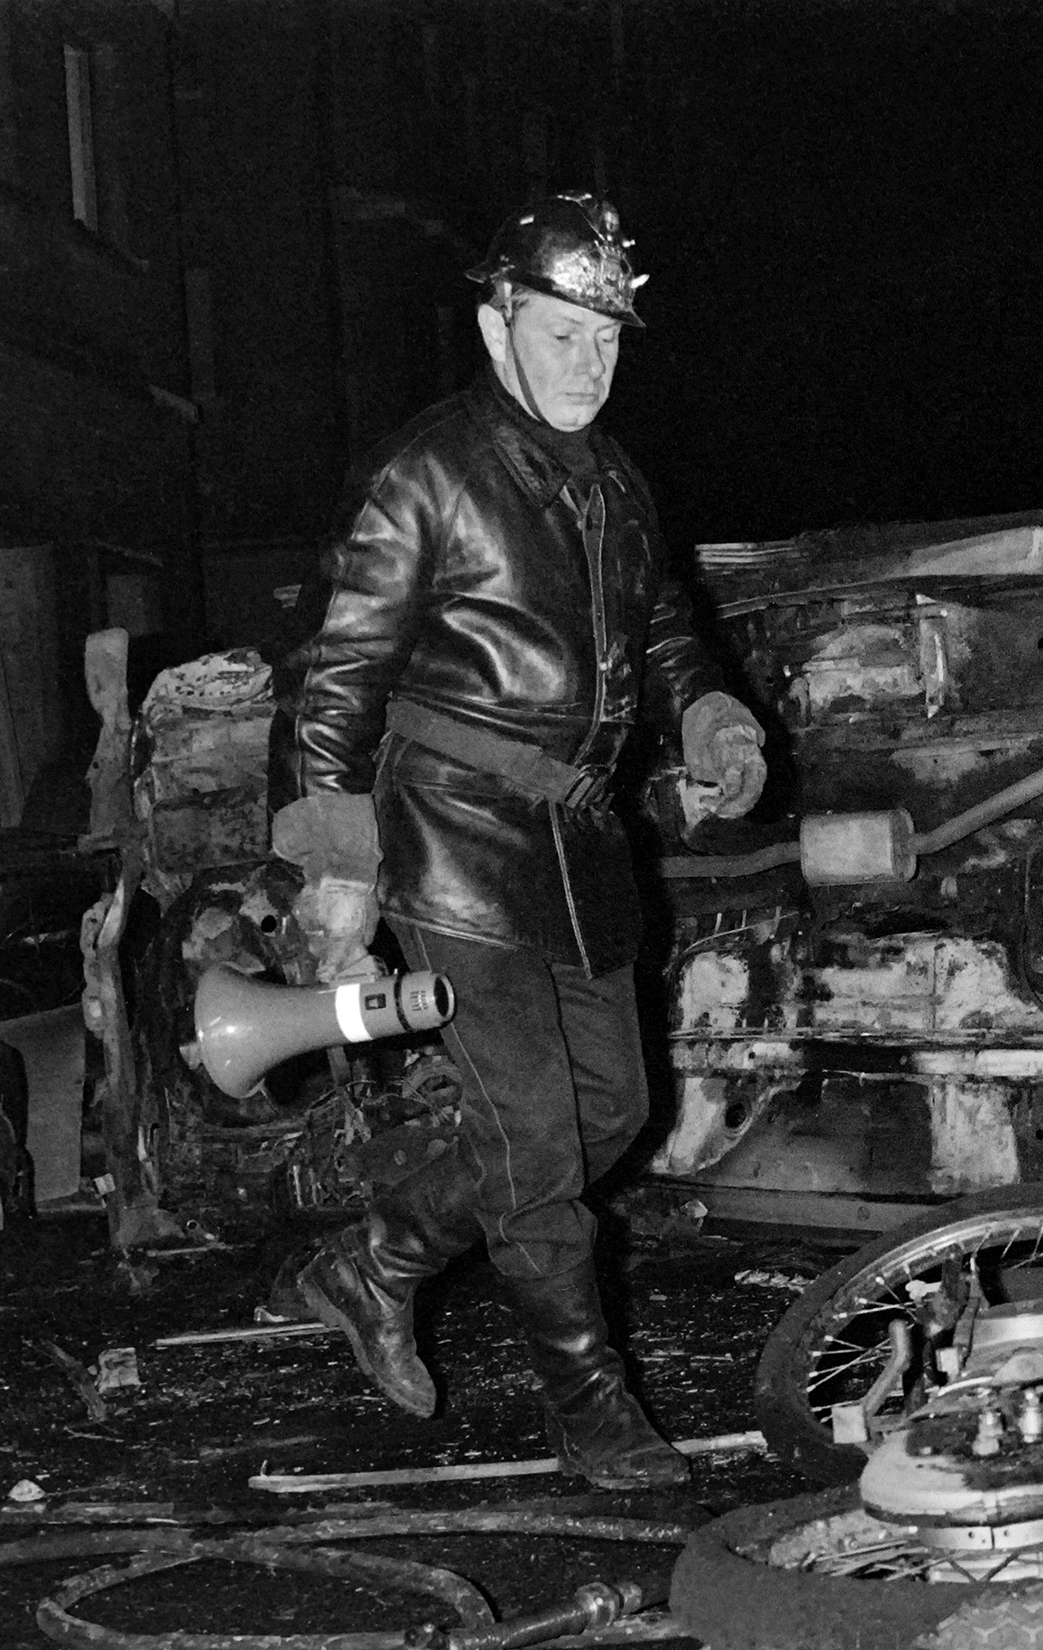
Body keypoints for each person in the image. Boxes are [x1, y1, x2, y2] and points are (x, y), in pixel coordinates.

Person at [269, 193, 769, 1487]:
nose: (588, 363)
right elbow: (335, 686)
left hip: (578, 846)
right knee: (537, 1138)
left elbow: (661, 627)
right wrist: (334, 867)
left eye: (608, 338)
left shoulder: (614, 487)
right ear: (498, 327)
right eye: (562, 333)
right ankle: (593, 1407)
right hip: (446, 837)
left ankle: (373, 1260)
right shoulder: (426, 475)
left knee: (618, 1108)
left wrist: (711, 715)